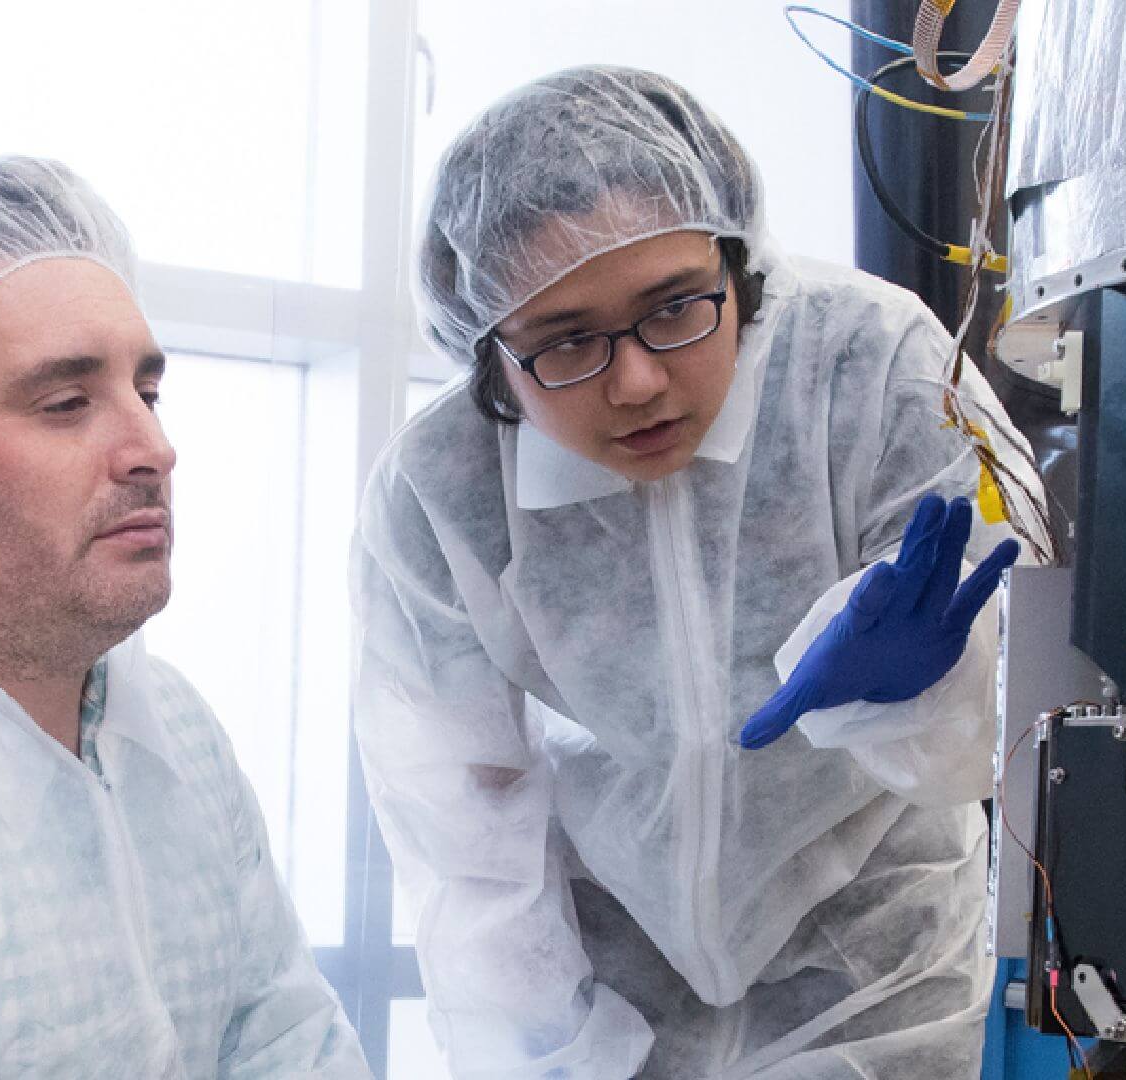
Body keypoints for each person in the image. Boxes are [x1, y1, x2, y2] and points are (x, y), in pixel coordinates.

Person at [351, 66, 1043, 1078]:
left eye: (675, 307)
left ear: (740, 269)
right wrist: (552, 1051)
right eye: (565, 340)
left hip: (872, 974)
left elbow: (1019, 642)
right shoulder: (440, 493)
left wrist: (919, 691)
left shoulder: (871, 362)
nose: (636, 381)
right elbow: (468, 832)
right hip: (599, 975)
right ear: (489, 351)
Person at [0, 157, 371, 1078]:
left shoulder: (171, 723)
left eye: (148, 392)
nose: (154, 448)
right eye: (65, 404)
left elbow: (291, 1046)